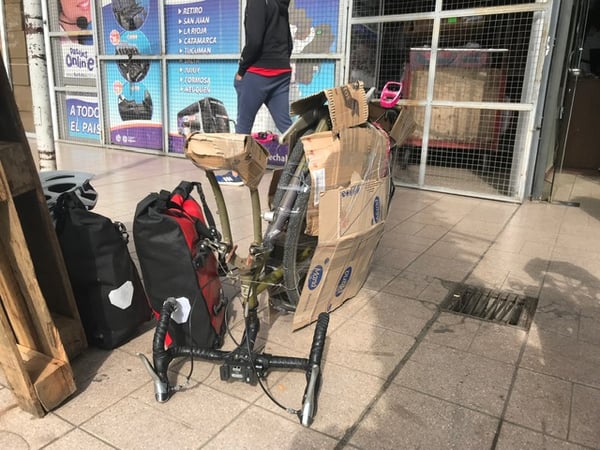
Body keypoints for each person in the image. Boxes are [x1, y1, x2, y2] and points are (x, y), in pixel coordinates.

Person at [216, 0, 293, 186]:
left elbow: (255, 41)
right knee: (287, 126)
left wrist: (242, 70)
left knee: (243, 126)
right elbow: (289, 42)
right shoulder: (279, 3)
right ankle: (300, 168)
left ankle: (237, 175)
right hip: (281, 71)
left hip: (258, 72)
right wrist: (279, 62)